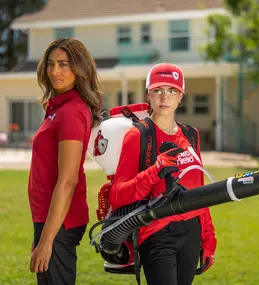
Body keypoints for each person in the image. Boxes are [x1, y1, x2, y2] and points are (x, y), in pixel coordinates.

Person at [109, 63, 217, 285]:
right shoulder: (138, 135)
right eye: (158, 90)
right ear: (148, 94)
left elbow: (199, 192)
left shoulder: (191, 135)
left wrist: (208, 236)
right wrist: (154, 171)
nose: (164, 97)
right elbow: (117, 195)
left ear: (181, 96)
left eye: (172, 91)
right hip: (157, 232)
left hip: (191, 232)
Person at [28, 38, 104, 285]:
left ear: (79, 69)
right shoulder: (56, 107)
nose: (54, 71)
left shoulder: (71, 110)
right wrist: (42, 234)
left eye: (63, 65)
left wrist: (47, 239)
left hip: (62, 219)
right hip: (50, 218)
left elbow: (68, 180)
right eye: (50, 64)